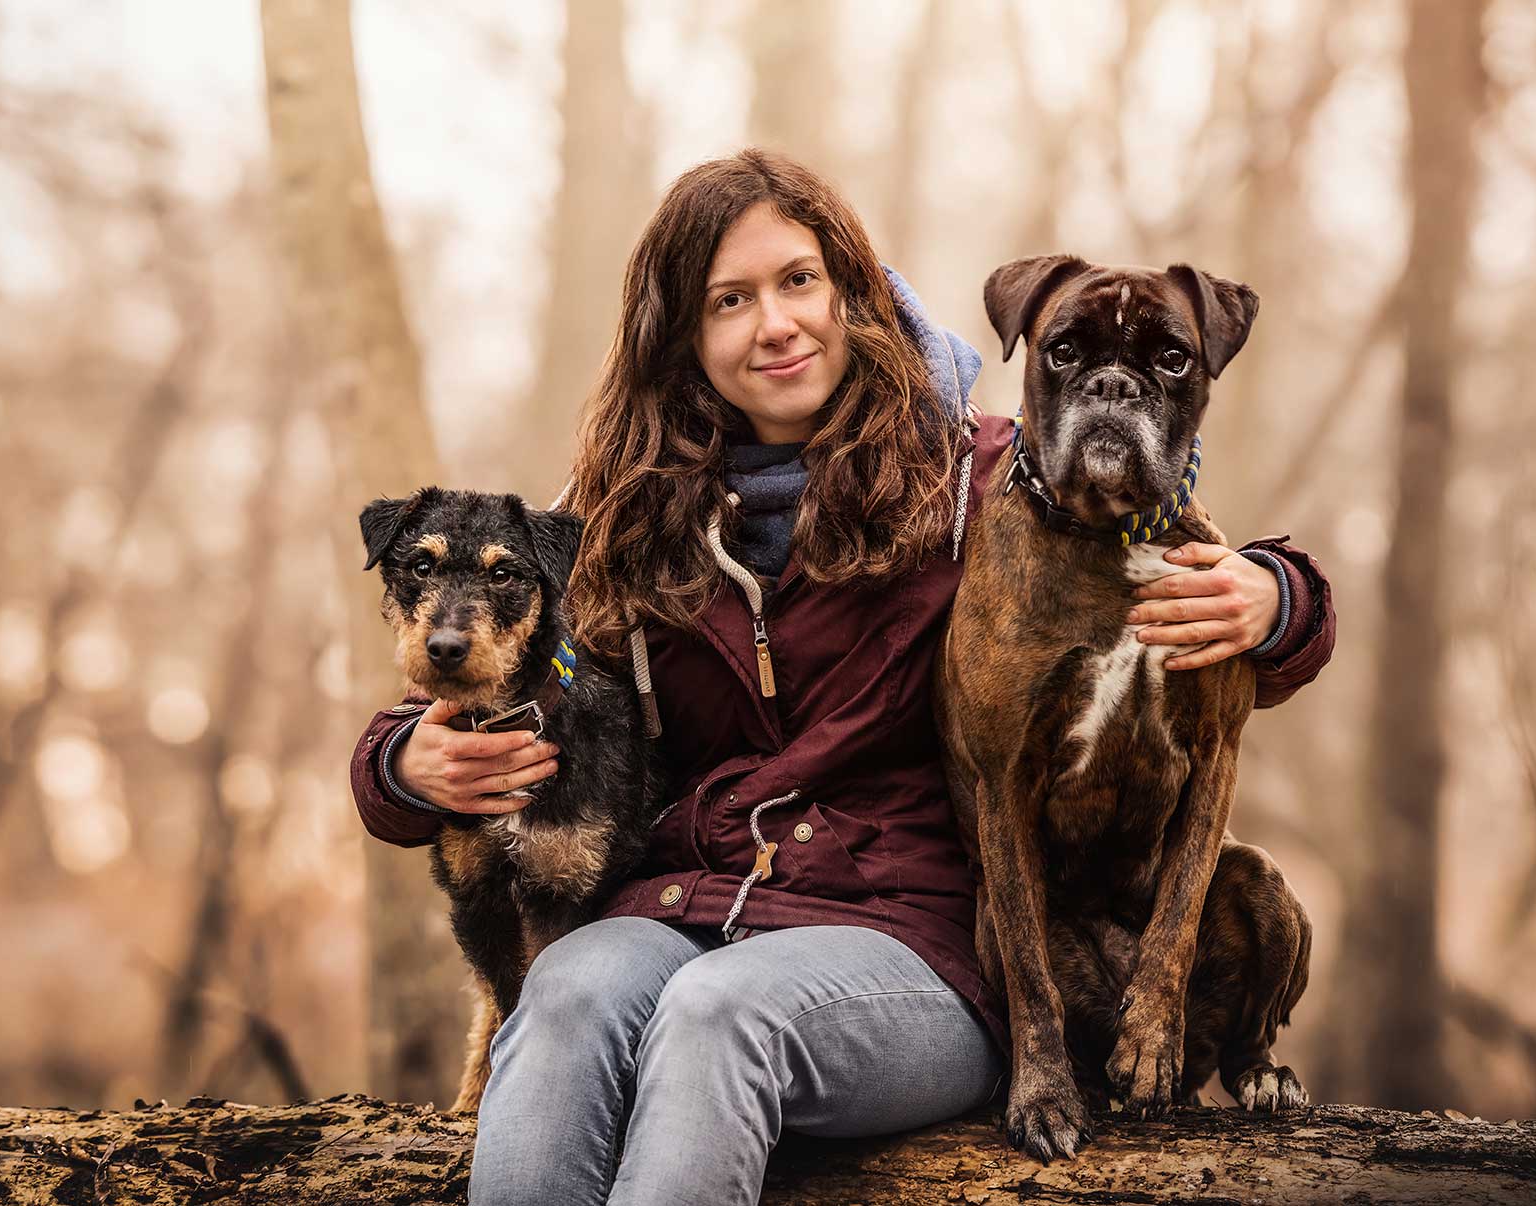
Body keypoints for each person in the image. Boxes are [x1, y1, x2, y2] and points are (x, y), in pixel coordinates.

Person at [349, 149, 1336, 1206]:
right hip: (682, 905)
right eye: (729, 299)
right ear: (681, 332)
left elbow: (1182, 589)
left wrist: (1275, 597)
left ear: (851, 290)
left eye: (796, 281)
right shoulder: (625, 512)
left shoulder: (986, 479)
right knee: (568, 989)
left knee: (719, 1017)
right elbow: (493, 677)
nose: (774, 324)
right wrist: (403, 766)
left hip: (911, 939)